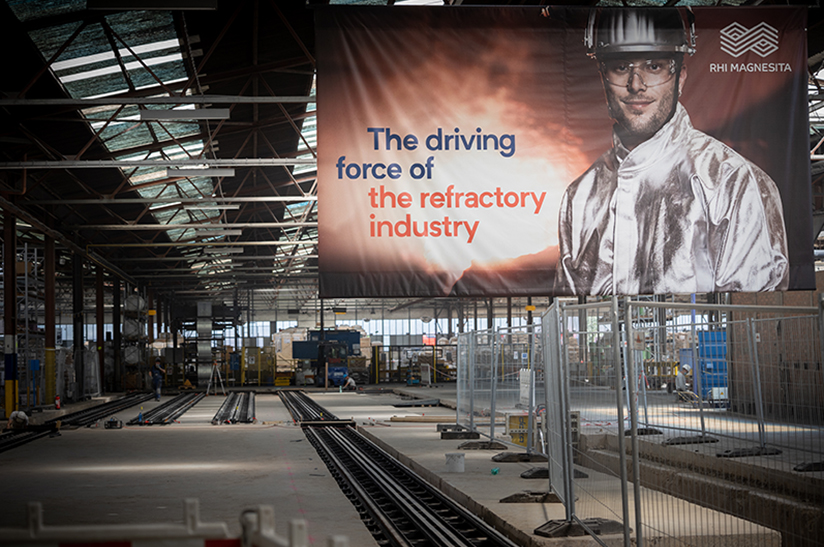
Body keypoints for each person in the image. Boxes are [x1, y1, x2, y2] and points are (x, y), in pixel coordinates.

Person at [556, 8, 789, 296]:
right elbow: (569, 310)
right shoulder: (580, 196)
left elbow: (751, 310)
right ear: (603, 79)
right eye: (621, 67)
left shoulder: (731, 181)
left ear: (680, 77)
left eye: (654, 66)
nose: (636, 84)